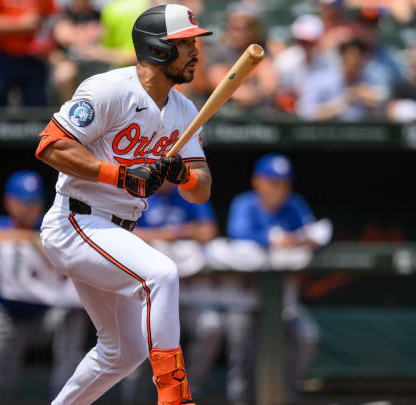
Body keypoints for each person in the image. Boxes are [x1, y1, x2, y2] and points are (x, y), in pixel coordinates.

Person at [34, 4, 213, 405]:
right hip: (75, 221)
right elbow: (50, 147)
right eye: (186, 44)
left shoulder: (184, 109)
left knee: (123, 352)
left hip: (115, 230)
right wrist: (121, 175)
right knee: (161, 274)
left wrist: (180, 174)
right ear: (159, 49)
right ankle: (175, 397)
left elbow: (201, 190)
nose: (196, 52)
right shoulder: (110, 88)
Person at [0, 170, 88, 402]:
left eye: (36, 202)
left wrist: (44, 243)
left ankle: (64, 397)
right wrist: (32, 240)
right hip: (6, 317)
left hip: (45, 315)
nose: (33, 208)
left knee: (73, 315)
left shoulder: (47, 225)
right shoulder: (0, 224)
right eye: (26, 202)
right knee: (1, 387)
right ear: (10, 202)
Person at [227, 154, 323, 405]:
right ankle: (239, 400)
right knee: (241, 347)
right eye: (273, 181)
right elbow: (238, 234)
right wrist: (275, 240)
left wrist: (290, 240)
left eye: (284, 183)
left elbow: (314, 235)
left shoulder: (294, 205)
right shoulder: (245, 204)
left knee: (307, 336)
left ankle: (287, 397)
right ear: (257, 181)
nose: (279, 189)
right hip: (245, 297)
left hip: (283, 300)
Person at [121, 182, 220, 404]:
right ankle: (134, 399)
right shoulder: (137, 194)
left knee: (211, 328)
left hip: (188, 288)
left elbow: (208, 231)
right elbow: (124, 234)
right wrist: (173, 234)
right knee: (139, 345)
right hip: (148, 292)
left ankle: (187, 393)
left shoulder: (187, 194)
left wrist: (166, 235)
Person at [0, 0, 56, 108]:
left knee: (36, 114)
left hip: (34, 57)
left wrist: (44, 35)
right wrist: (19, 25)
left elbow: (52, 17)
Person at [206, 2, 278, 113]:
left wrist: (254, 94)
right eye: (234, 27)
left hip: (258, 112)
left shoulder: (262, 49)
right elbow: (218, 84)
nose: (238, 33)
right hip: (225, 114)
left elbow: (269, 84)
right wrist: (242, 95)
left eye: (246, 27)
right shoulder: (220, 51)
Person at [297, 39, 384, 121]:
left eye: (359, 59)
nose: (355, 63)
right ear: (342, 57)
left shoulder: (369, 80)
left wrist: (372, 103)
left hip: (362, 133)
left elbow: (384, 110)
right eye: (351, 58)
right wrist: (345, 100)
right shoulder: (321, 79)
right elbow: (306, 112)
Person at [273, 14, 326, 113]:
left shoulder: (326, 63)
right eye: (301, 41)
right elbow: (280, 95)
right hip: (290, 117)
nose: (304, 46)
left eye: (309, 43)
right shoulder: (285, 60)